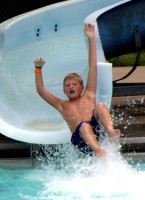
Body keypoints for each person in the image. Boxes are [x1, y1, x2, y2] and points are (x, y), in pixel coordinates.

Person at [34, 23, 121, 158]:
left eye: (74, 84)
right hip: (81, 139)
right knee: (84, 126)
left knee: (100, 106)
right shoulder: (62, 105)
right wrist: (38, 69)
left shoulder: (88, 95)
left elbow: (93, 67)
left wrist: (91, 39)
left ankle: (110, 132)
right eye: (67, 85)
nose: (70, 87)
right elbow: (41, 91)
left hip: (97, 129)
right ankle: (98, 151)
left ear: (81, 87)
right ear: (64, 90)